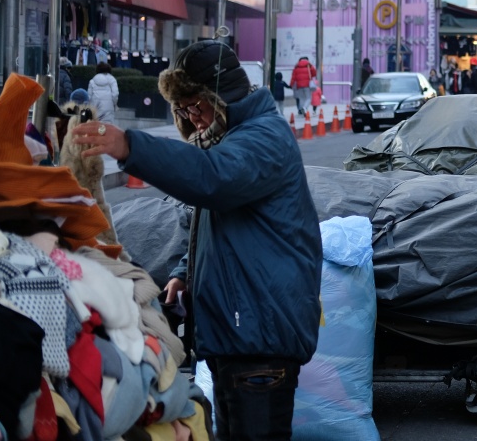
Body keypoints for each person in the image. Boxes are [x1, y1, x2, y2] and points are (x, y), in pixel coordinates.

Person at [69, 41, 322, 439]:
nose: (193, 118)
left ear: (220, 98)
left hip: (259, 340)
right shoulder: (236, 138)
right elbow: (225, 227)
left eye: (196, 106)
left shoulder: (263, 139)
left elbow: (211, 179)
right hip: (240, 336)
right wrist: (185, 273)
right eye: (183, 110)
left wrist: (131, 146)